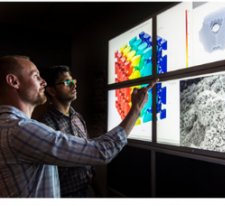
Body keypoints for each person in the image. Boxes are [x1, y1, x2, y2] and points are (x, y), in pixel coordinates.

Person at [0, 56, 154, 198]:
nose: (43, 82)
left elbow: (88, 163)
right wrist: (136, 109)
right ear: (14, 81)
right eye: (35, 76)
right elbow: (102, 151)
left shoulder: (76, 118)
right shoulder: (21, 130)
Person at [34, 66, 94, 198]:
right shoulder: (45, 125)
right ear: (51, 90)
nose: (73, 85)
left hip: (86, 190)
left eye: (73, 81)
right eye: (66, 82)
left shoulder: (78, 118)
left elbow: (89, 154)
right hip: (64, 196)